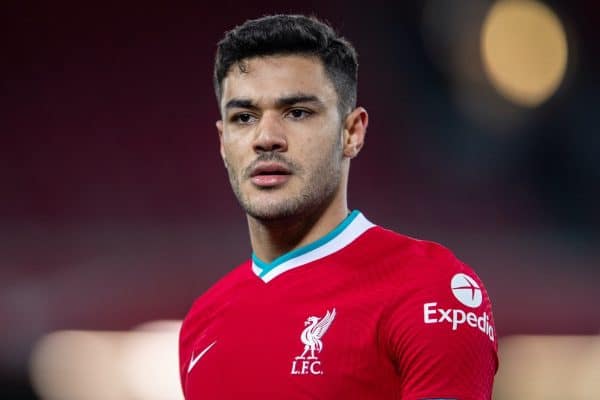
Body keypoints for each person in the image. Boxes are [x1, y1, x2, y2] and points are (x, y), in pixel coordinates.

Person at [179, 14, 498, 399]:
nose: (266, 138)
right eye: (244, 117)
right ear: (222, 141)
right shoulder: (202, 323)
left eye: (297, 113)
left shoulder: (430, 290)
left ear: (352, 133)